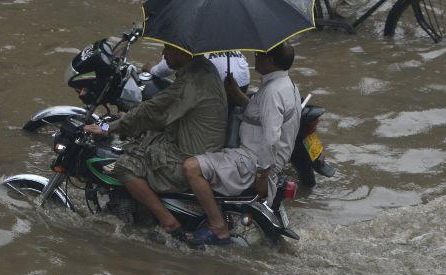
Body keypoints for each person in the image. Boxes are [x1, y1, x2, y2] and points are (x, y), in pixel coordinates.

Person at [83, 44, 228, 239]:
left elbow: (150, 111)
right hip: (203, 145)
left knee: (124, 166)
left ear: (181, 52)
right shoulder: (204, 68)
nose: (163, 54)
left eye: (168, 49)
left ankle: (169, 223)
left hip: (188, 154)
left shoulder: (188, 83)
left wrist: (108, 128)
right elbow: (159, 114)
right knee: (142, 138)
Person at [182, 42, 301, 246]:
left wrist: (263, 174)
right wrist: (238, 94)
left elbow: (271, 138)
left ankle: (217, 227)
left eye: (259, 54)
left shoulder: (273, 92)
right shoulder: (284, 85)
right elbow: (262, 117)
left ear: (271, 61)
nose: (255, 56)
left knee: (191, 167)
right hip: (257, 157)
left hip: (252, 160)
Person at [143, 50, 251, 95]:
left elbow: (167, 68)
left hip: (221, 87)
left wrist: (151, 69)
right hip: (242, 84)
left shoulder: (190, 36)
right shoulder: (224, 33)